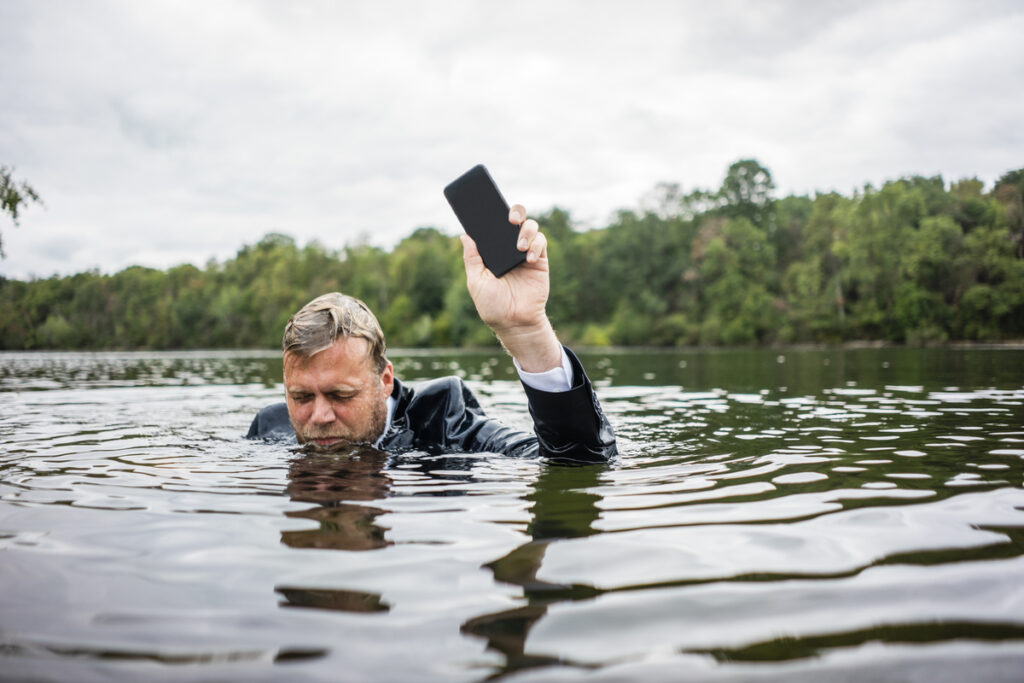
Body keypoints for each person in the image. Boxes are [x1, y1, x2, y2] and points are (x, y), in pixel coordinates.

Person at [246, 204, 616, 461]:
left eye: (340, 395)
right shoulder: (270, 427)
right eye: (301, 397)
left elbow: (582, 459)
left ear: (385, 380)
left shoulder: (446, 423)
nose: (320, 416)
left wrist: (526, 330)